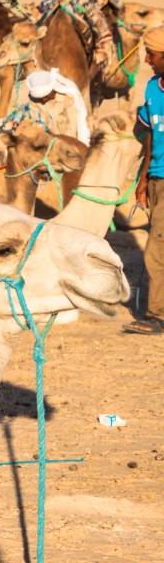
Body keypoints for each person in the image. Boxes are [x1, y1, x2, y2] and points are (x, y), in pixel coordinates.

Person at [126, 26, 164, 334]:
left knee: (155, 248)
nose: (147, 60)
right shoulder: (152, 88)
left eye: (151, 54)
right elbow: (149, 134)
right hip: (156, 179)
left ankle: (157, 316)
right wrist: (143, 181)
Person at [22, 68, 90, 144]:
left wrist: (63, 144)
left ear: (53, 89)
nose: (43, 100)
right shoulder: (35, 101)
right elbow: (37, 123)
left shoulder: (68, 99)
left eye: (45, 96)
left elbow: (72, 126)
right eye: (40, 98)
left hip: (68, 141)